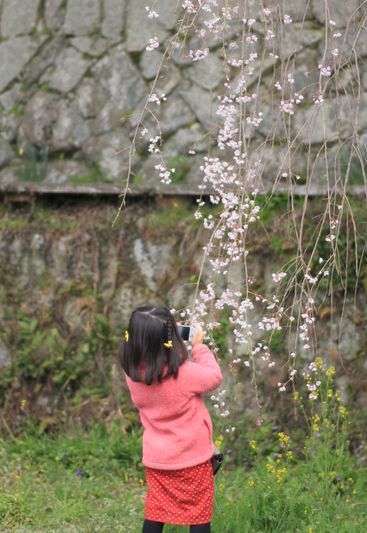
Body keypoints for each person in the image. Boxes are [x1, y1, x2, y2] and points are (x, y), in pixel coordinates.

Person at [119, 305, 223, 533]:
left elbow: (150, 346)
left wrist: (158, 332)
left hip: (158, 459)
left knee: (156, 511)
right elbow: (214, 377)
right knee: (198, 514)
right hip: (192, 458)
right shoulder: (183, 374)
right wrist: (199, 348)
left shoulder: (133, 375)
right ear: (169, 340)